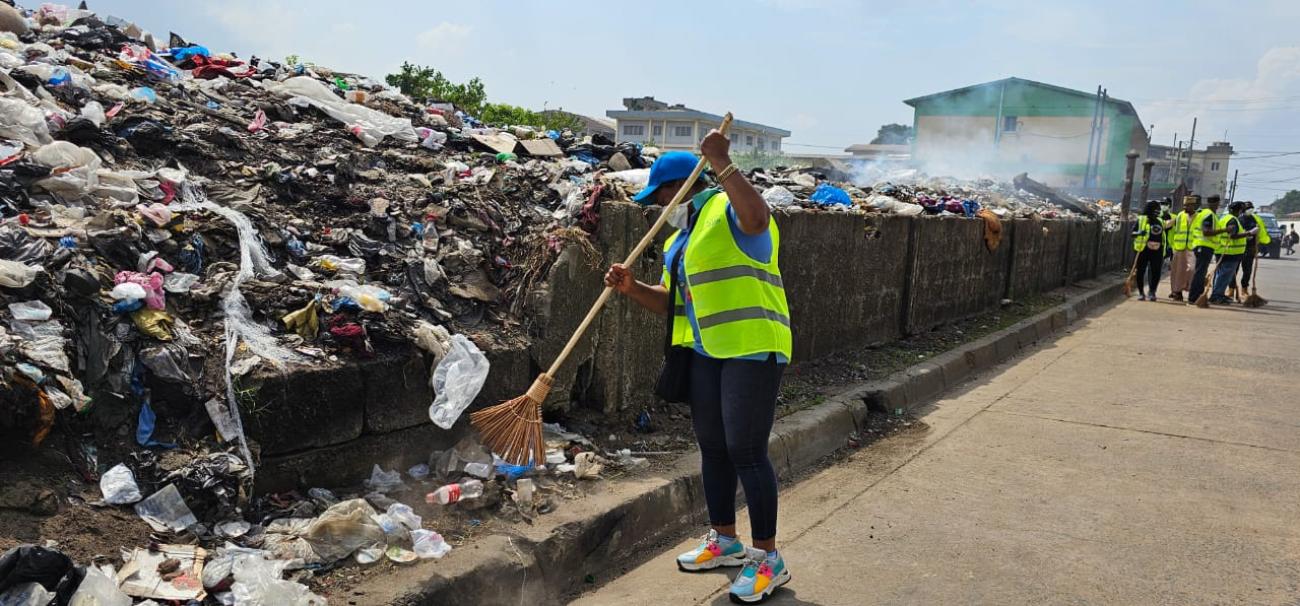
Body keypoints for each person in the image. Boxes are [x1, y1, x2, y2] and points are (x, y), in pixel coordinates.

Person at [604, 135, 793, 603]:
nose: (658, 208)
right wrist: (632, 289)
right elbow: (672, 302)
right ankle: (725, 539)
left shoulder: (728, 212)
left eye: (660, 197)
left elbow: (758, 218)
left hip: (752, 345)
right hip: (707, 352)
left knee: (746, 449)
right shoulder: (678, 240)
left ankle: (770, 559)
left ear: (680, 187)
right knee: (713, 447)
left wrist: (724, 163)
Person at [1209, 201, 1255, 305]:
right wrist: (1248, 233)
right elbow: (1233, 236)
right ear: (1238, 210)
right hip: (1230, 252)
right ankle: (1217, 296)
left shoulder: (1225, 218)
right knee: (1224, 275)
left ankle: (1217, 294)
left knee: (1220, 274)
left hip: (1223, 250)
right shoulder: (1232, 220)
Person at [1131, 200, 1169, 301]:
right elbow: (1132, 233)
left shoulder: (1160, 221)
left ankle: (1152, 292)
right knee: (1141, 271)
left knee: (1156, 271)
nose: (1158, 211)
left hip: (1157, 250)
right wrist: (1139, 233)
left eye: (1159, 210)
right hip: (1143, 250)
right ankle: (1141, 292)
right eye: (1156, 210)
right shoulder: (1141, 219)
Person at [1167, 195, 1199, 301]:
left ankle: (1191, 290)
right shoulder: (1180, 215)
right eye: (1184, 205)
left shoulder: (1199, 217)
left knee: (1192, 270)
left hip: (1192, 248)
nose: (1185, 208)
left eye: (1188, 206)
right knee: (1178, 271)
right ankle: (1176, 291)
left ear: (1193, 206)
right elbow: (1169, 225)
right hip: (1179, 248)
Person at [1187, 195, 1217, 304]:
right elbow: (1206, 232)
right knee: (1199, 273)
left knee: (1200, 272)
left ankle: (1199, 295)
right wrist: (1225, 230)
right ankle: (1193, 297)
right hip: (1204, 246)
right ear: (1216, 204)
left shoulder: (1202, 213)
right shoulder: (1208, 215)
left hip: (1200, 245)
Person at [1237, 202, 1271, 296]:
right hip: (1238, 249)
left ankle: (1244, 288)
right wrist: (1246, 234)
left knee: (1247, 270)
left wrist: (1258, 244)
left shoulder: (1255, 220)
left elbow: (1261, 233)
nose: (1250, 209)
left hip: (1250, 248)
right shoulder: (1238, 219)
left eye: (1251, 208)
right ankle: (1232, 289)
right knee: (1233, 270)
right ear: (1243, 209)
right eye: (1248, 208)